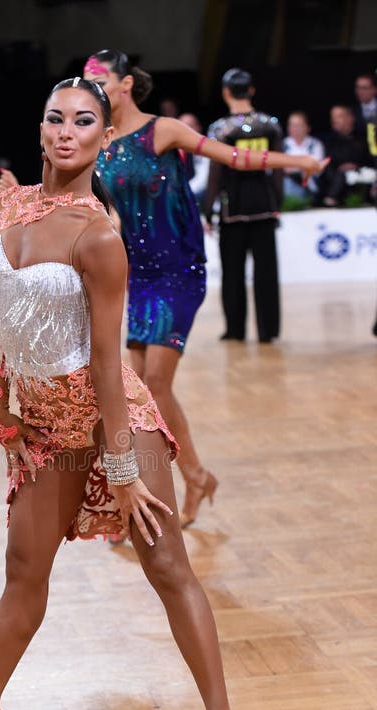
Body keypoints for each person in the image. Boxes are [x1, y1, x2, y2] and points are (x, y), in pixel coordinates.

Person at [0, 77, 258, 710]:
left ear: (106, 139)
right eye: (54, 118)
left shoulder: (97, 236)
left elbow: (109, 366)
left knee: (166, 563)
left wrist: (124, 469)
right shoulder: (9, 204)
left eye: (83, 122)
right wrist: (3, 418)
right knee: (23, 566)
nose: (66, 131)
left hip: (114, 418)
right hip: (44, 425)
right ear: (41, 128)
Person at [82, 51, 323, 527]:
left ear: (125, 84)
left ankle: (179, 482)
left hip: (179, 269)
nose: (94, 89)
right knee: (139, 394)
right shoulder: (101, 141)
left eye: (100, 80)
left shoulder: (162, 130)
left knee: (155, 383)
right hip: (138, 275)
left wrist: (295, 159)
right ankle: (189, 478)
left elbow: (232, 156)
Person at [205, 68, 284, 344]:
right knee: (266, 273)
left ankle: (234, 330)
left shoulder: (220, 129)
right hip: (263, 206)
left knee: (232, 273)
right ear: (251, 90)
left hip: (232, 209)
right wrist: (277, 203)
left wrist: (208, 209)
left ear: (226, 92)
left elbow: (215, 174)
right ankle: (268, 330)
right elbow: (277, 169)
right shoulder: (270, 125)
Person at [321, 105, 373, 207]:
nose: (335, 120)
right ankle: (331, 199)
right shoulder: (328, 141)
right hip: (336, 181)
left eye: (339, 116)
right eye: (333, 117)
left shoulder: (363, 138)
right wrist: (341, 169)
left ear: (350, 118)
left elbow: (370, 160)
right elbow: (327, 164)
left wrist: (355, 166)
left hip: (362, 180)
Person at [282, 111, 324, 204]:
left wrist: (292, 166)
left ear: (307, 128)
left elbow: (315, 168)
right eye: (292, 125)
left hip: (309, 185)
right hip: (287, 183)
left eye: (299, 125)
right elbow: (280, 168)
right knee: (287, 183)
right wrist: (302, 165)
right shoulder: (283, 145)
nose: (295, 129)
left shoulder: (314, 144)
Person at [179, 112, 209, 205]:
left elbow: (202, 181)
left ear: (199, 128)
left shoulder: (207, 149)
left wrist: (181, 193)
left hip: (204, 205)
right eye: (182, 127)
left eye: (190, 126)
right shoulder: (173, 152)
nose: (186, 131)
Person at [352, 73, 377, 140]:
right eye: (358, 88)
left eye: (364, 88)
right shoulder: (352, 112)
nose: (360, 92)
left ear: (374, 89)